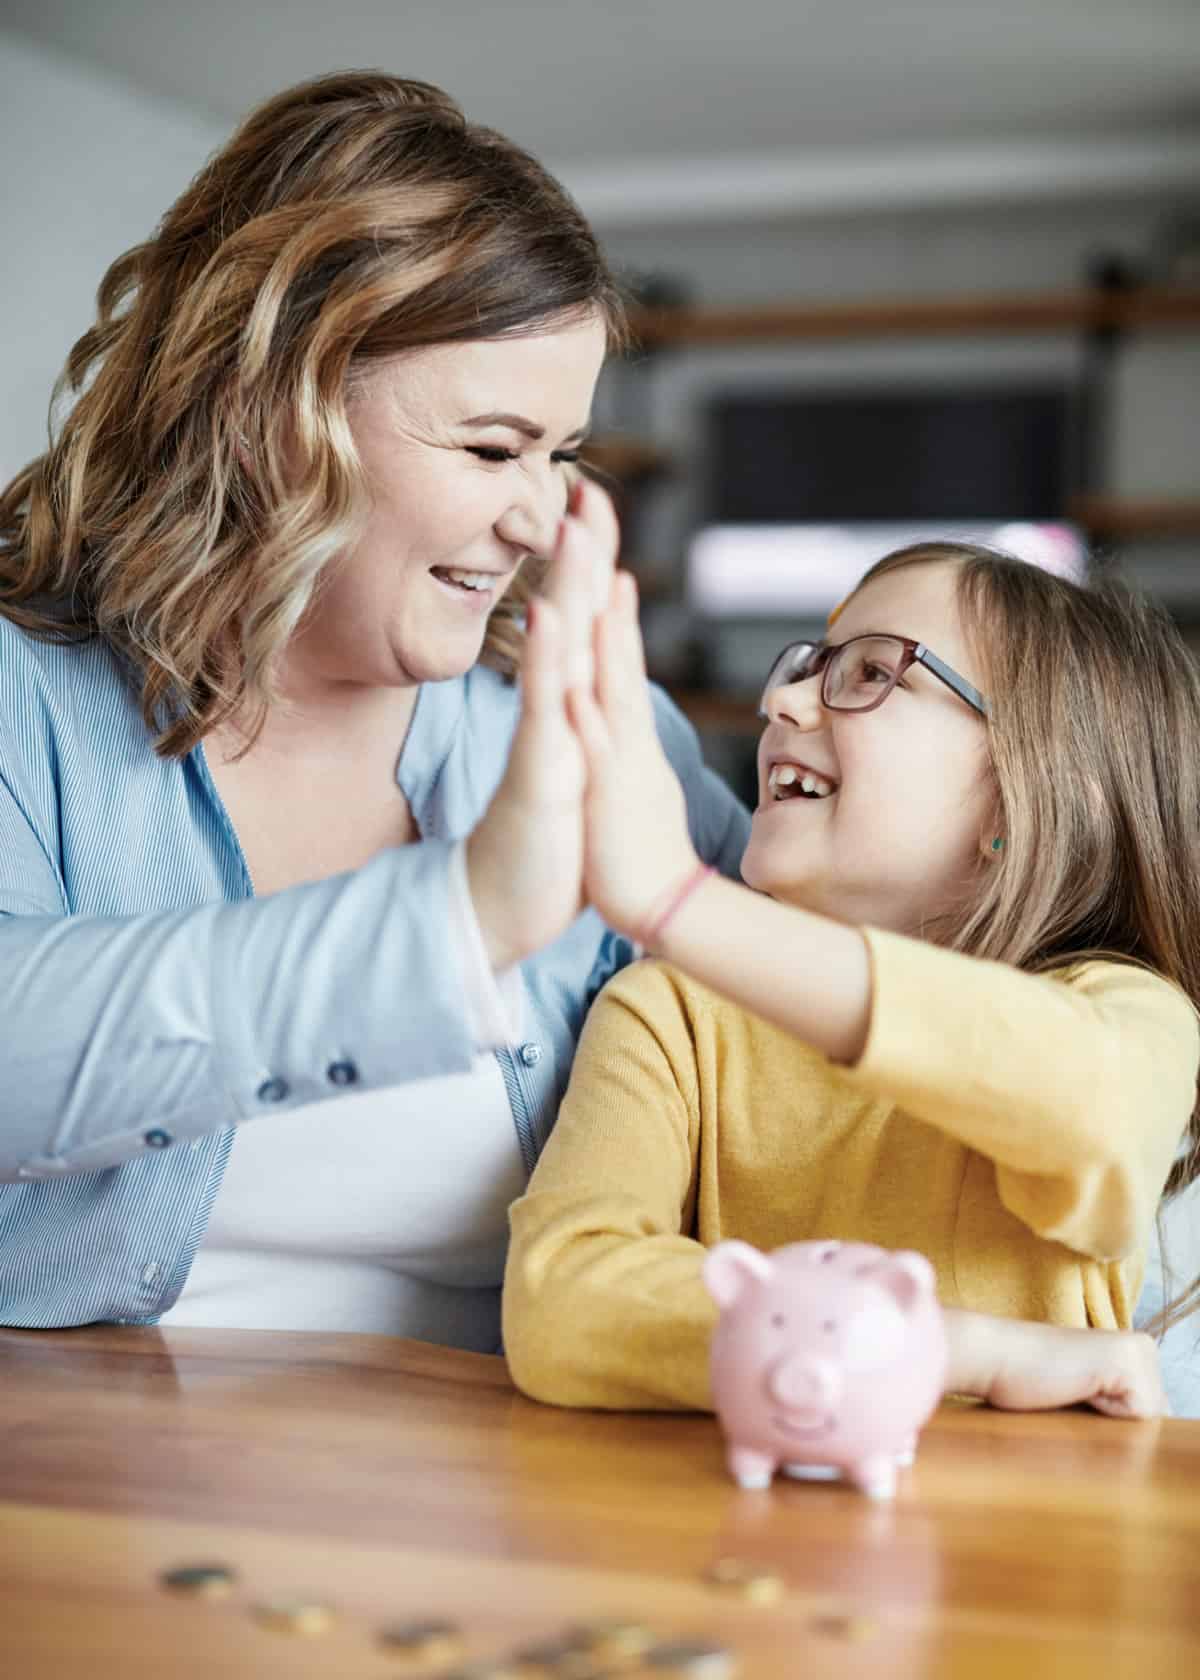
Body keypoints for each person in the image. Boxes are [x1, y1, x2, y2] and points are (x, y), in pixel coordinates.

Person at [0, 70, 748, 1343]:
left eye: (561, 456)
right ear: (272, 414)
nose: (542, 517)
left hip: (509, 1517)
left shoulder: (573, 721)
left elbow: (831, 992)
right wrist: (459, 917)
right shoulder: (27, 695)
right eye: (493, 448)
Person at [503, 542, 1200, 1416]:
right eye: (806, 668)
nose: (781, 701)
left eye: (875, 672)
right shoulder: (675, 1009)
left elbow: (1091, 1109)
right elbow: (563, 1298)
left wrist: (681, 903)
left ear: (1033, 793)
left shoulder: (1123, 1010)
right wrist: (944, 1348)